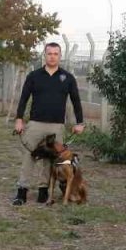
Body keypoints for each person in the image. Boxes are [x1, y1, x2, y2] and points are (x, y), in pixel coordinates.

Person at [12, 42, 85, 205]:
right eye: (49, 53)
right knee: (30, 156)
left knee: (50, 160)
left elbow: (76, 101)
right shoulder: (34, 76)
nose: (52, 56)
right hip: (35, 124)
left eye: (55, 54)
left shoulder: (68, 78)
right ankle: (21, 191)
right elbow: (23, 98)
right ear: (44, 55)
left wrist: (80, 122)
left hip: (56, 126)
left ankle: (43, 191)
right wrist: (19, 119)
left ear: (60, 56)